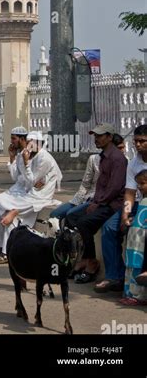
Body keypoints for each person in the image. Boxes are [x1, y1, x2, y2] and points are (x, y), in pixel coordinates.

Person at [0, 130, 62, 264]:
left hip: (39, 196)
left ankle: (6, 251)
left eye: (30, 143)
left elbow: (31, 181)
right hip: (26, 192)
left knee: (7, 214)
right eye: (27, 142)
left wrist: (26, 162)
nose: (27, 146)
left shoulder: (44, 158)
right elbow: (17, 177)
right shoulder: (25, 155)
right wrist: (14, 158)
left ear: (38, 143)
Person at [66, 124, 127, 284]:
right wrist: (94, 201)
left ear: (109, 137)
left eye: (100, 136)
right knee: (70, 218)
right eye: (95, 136)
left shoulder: (117, 158)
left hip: (114, 204)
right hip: (101, 200)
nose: (96, 139)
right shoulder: (103, 156)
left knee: (84, 223)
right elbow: (100, 184)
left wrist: (98, 203)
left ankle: (91, 261)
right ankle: (83, 259)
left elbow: (114, 187)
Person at [94, 123, 147, 293]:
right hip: (138, 204)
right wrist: (125, 215)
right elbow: (130, 193)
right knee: (110, 227)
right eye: (136, 141)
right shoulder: (133, 164)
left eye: (143, 141)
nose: (138, 145)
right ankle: (114, 276)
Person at [119, 169, 147, 305]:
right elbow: (129, 196)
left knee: (138, 265)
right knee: (131, 265)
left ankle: (139, 295)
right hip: (135, 240)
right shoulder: (142, 200)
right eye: (139, 184)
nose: (140, 187)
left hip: (142, 243)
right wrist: (129, 217)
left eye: (143, 184)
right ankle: (130, 292)